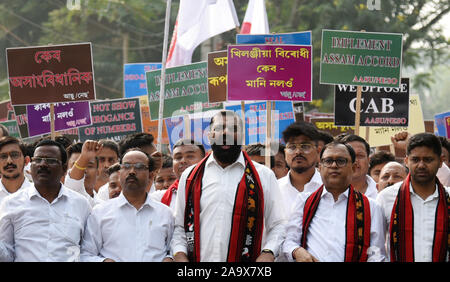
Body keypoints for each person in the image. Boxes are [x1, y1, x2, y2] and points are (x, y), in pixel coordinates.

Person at [172, 110, 286, 262]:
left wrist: (268, 252)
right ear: (209, 135)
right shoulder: (190, 176)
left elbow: (278, 224)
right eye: (219, 129)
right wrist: (179, 254)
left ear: (242, 136)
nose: (226, 133)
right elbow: (179, 226)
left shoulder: (263, 176)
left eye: (233, 129)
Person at [282, 141, 386, 262]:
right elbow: (290, 241)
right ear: (320, 168)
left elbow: (377, 255)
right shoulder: (304, 201)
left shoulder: (371, 207)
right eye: (328, 161)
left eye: (341, 161)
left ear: (353, 168)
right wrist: (297, 251)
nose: (334, 165)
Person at [0, 139, 91, 262]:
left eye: (50, 161)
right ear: (30, 165)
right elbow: (7, 256)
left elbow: (88, 252)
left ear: (64, 169)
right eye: (37, 160)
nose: (42, 164)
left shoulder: (81, 204)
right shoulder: (11, 204)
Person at [80, 148, 174, 262]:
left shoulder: (165, 213)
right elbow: (85, 255)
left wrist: (169, 258)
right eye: (127, 166)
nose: (132, 171)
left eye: (139, 167)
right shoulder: (100, 213)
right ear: (120, 173)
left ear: (150, 175)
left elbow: (174, 249)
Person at [377, 133, 449, 262]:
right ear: (406, 161)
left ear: (440, 162)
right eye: (415, 160)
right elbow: (376, 247)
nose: (421, 165)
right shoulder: (386, 198)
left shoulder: (448, 197)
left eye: (428, 160)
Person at [278, 122, 323, 216]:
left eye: (305, 146)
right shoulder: (275, 189)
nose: (298, 152)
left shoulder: (329, 189)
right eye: (292, 147)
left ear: (318, 151)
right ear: (285, 152)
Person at [150, 138, 205, 210]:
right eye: (178, 157)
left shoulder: (213, 190)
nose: (183, 161)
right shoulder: (159, 198)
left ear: (204, 161)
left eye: (190, 156)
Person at [336, 134, 378, 199]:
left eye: (360, 155)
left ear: (368, 160)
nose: (355, 161)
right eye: (349, 155)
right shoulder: (325, 193)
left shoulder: (380, 192)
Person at [64, 141, 103, 207]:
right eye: (75, 165)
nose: (83, 170)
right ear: (66, 171)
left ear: (98, 172)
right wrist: (84, 157)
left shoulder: (104, 206)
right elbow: (73, 183)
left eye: (89, 166)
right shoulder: (63, 201)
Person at [0, 136, 33, 204]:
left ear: (26, 160)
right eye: (3, 156)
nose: (9, 161)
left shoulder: (39, 194)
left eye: (14, 155)